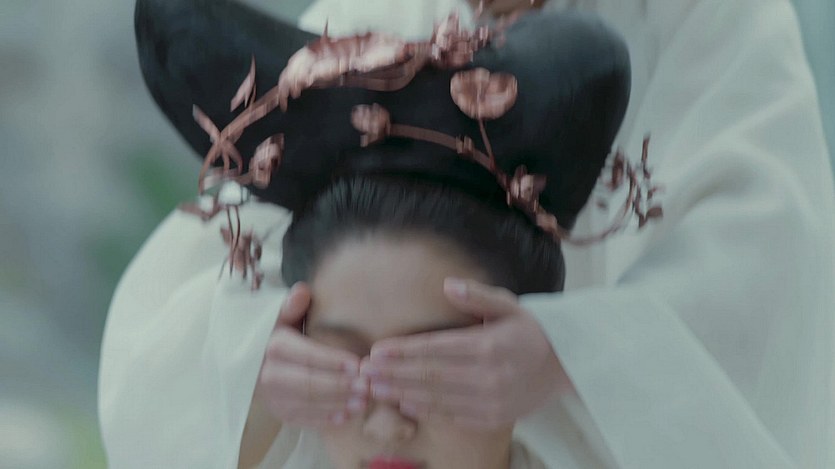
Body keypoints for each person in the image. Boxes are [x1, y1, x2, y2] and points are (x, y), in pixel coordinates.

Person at [99, 0, 835, 468]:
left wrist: (572, 354)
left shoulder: (710, 20)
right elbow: (187, 303)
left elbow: (767, 271)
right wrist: (259, 354)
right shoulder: (375, 14)